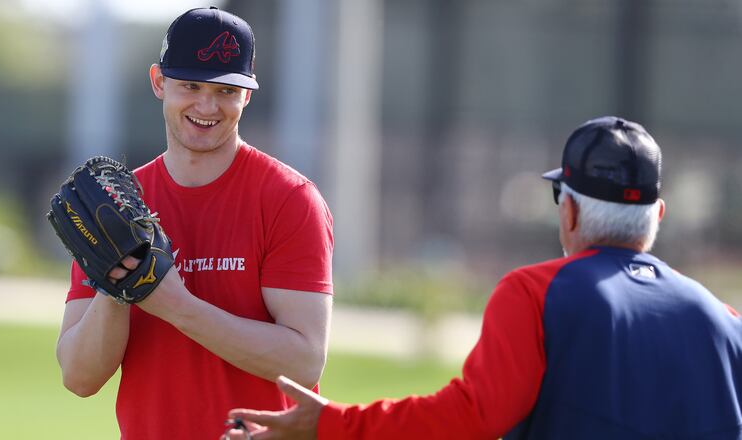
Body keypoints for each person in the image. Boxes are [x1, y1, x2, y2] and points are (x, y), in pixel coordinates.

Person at [226, 116, 742, 439]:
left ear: (569, 213)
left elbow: (476, 416)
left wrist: (335, 423)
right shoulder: (725, 321)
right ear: (659, 215)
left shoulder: (537, 293)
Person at [56, 7, 334, 440]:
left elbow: (303, 361)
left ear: (247, 96)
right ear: (158, 82)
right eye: (191, 85)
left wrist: (175, 305)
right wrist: (119, 286)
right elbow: (79, 377)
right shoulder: (118, 206)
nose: (207, 105)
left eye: (226, 90)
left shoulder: (289, 200)